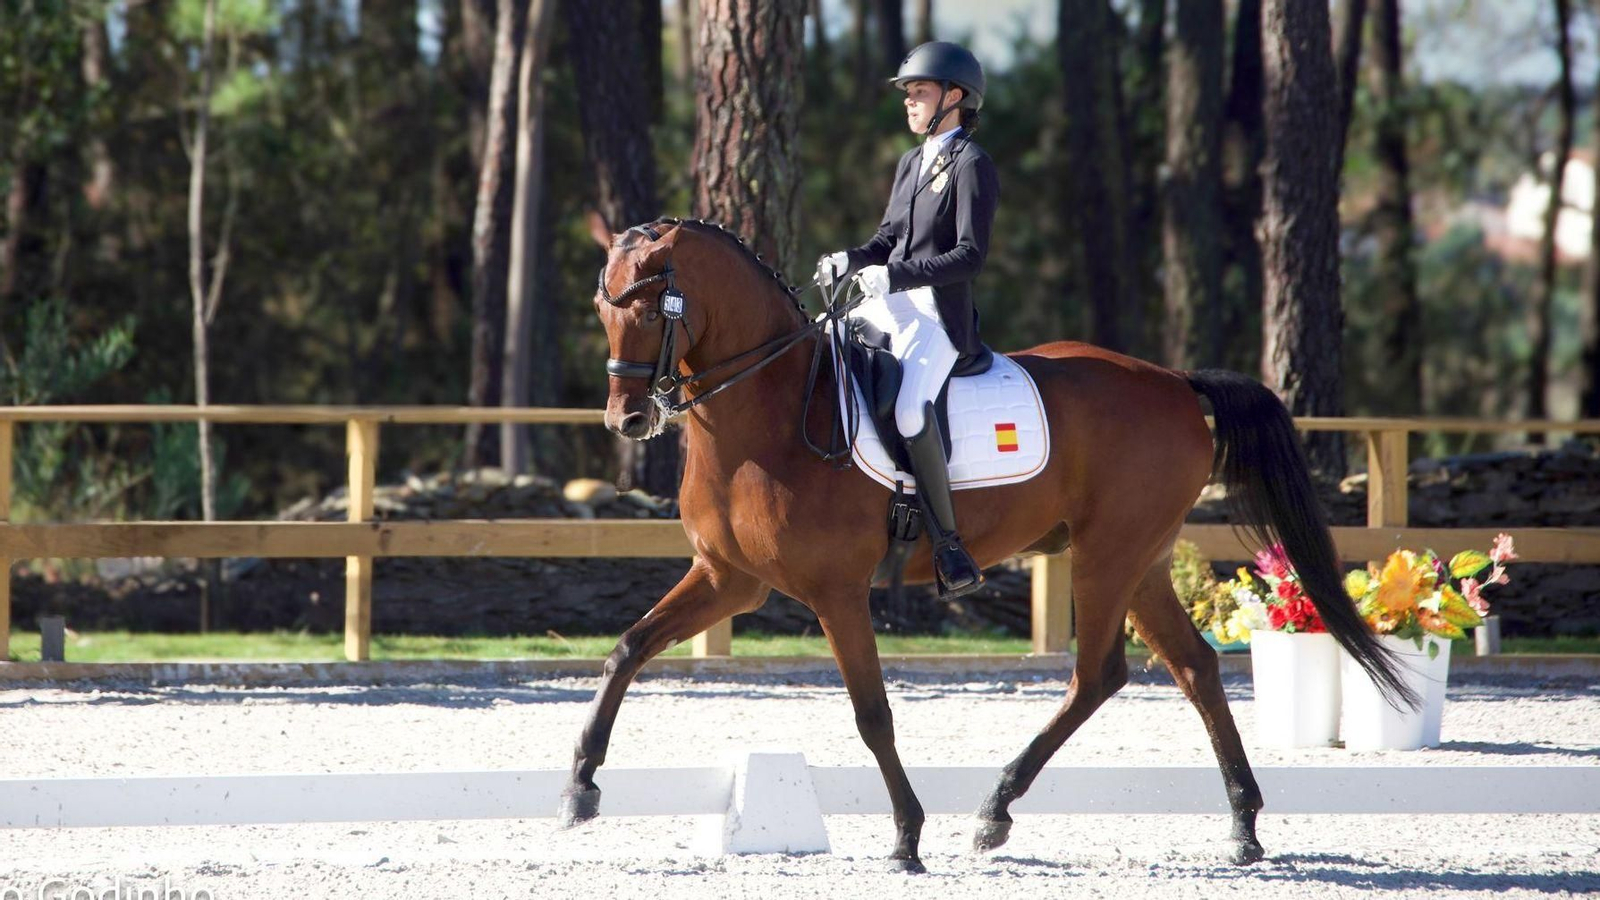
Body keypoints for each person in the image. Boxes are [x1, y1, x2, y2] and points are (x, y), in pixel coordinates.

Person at [816, 41, 999, 601]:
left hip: (937, 315)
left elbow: (971, 255)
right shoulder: (912, 162)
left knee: (913, 409)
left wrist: (898, 277)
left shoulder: (972, 163)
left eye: (919, 92)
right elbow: (887, 240)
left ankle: (949, 546)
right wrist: (852, 258)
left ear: (955, 97)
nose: (910, 103)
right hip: (889, 299)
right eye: (909, 95)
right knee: (821, 351)